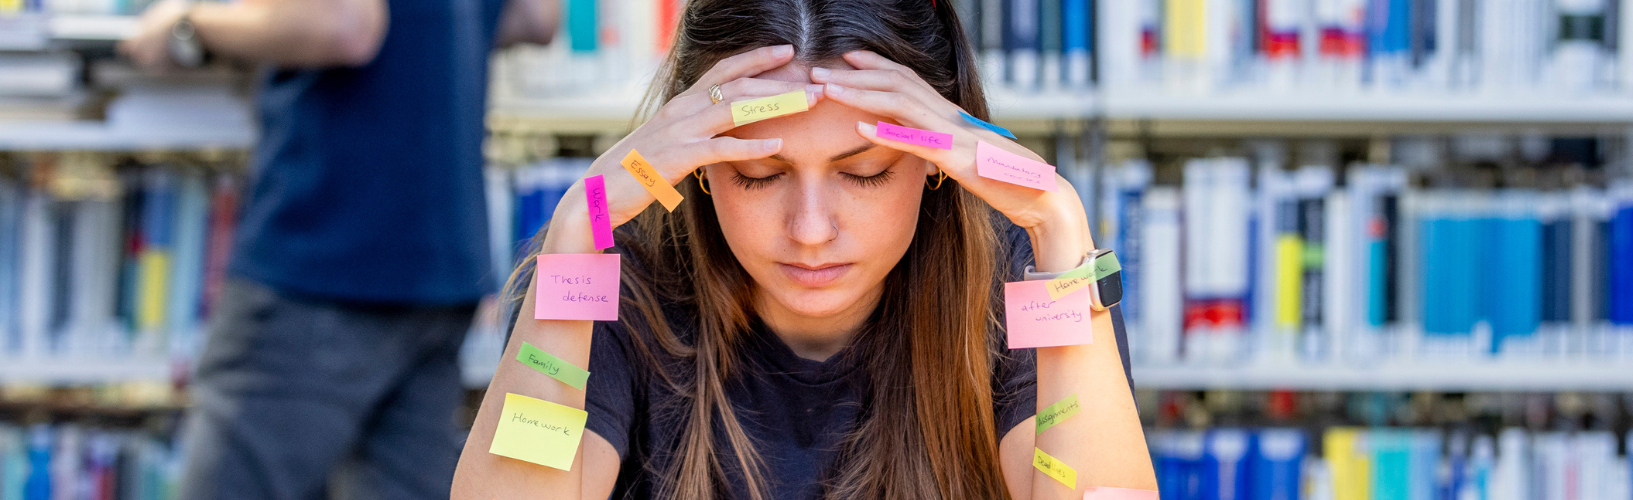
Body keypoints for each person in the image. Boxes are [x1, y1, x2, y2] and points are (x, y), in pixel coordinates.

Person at [451, 0, 1156, 498]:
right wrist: (579, 227)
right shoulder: (605, 283)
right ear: (697, 162)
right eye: (759, 174)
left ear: (937, 160)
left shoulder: (1029, 282)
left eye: (864, 172)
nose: (811, 229)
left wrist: (1059, 224)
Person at [117, 0, 558, 497]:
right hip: (442, 256)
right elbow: (536, 18)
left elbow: (344, 23)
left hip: (330, 249)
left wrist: (189, 26)